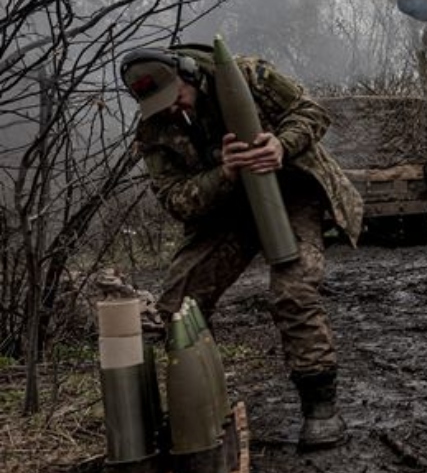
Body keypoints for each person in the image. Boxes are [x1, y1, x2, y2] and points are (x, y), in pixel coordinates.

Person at [120, 43, 363, 450]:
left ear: (188, 73)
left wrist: (280, 145)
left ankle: (321, 407)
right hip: (225, 210)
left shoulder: (249, 77)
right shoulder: (153, 131)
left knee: (293, 291)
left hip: (290, 195)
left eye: (175, 95)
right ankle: (200, 409)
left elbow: (313, 112)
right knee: (178, 304)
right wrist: (225, 172)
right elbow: (177, 200)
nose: (171, 109)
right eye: (160, 104)